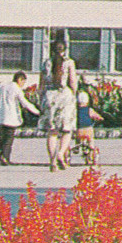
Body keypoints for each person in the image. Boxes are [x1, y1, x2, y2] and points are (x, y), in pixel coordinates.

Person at [39, 32, 78, 172]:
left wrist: (41, 100)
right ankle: (61, 153)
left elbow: (41, 84)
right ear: (65, 49)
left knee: (52, 132)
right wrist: (74, 95)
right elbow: (72, 82)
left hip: (50, 96)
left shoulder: (47, 63)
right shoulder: (69, 62)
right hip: (65, 96)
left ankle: (52, 161)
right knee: (67, 130)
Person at [0, 70, 38, 166]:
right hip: (11, 117)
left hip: (2, 116)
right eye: (23, 81)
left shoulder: (3, 87)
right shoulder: (16, 88)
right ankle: (5, 157)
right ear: (19, 79)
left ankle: (2, 154)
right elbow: (24, 103)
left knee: (4, 137)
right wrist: (37, 112)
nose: (23, 84)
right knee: (9, 139)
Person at [72, 87, 104, 167]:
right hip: (88, 130)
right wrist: (100, 118)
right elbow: (95, 116)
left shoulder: (75, 110)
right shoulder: (89, 109)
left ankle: (77, 146)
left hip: (79, 130)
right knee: (91, 139)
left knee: (77, 136)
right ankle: (91, 148)